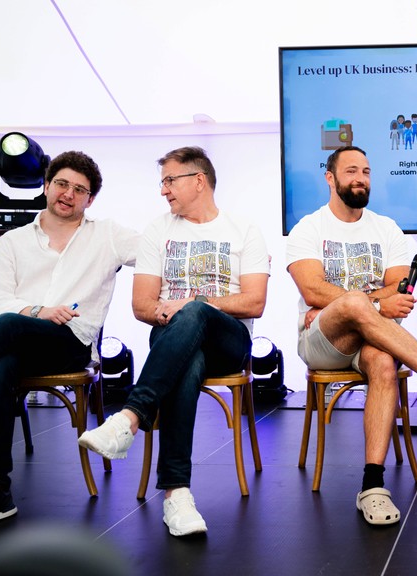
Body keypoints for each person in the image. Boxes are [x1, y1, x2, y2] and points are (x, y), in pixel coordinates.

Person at [286, 145, 417, 526]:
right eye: (351, 171)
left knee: (382, 362)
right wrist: (372, 305)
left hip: (370, 343)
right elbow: (312, 290)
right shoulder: (308, 228)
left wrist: (358, 305)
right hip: (322, 340)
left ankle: (372, 486)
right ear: (330, 178)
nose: (360, 178)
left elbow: (401, 288)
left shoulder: (386, 228)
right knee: (353, 303)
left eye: (366, 171)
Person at [78, 146, 269, 537]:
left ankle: (129, 418)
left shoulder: (243, 229)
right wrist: (178, 314)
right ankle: (176, 494)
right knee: (188, 362)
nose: (163, 190)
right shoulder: (158, 230)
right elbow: (142, 305)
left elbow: (255, 302)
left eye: (169, 180)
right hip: (174, 337)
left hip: (229, 341)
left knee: (196, 310)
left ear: (198, 181)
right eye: (161, 182)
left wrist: (191, 305)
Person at [0, 151, 138, 531]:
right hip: (16, 340)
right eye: (61, 184)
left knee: (6, 329)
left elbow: (160, 253)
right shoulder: (12, 242)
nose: (68, 194)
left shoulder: (107, 234)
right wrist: (39, 310)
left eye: (80, 190)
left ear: (90, 199)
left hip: (70, 343)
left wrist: (235, 257)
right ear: (45, 186)